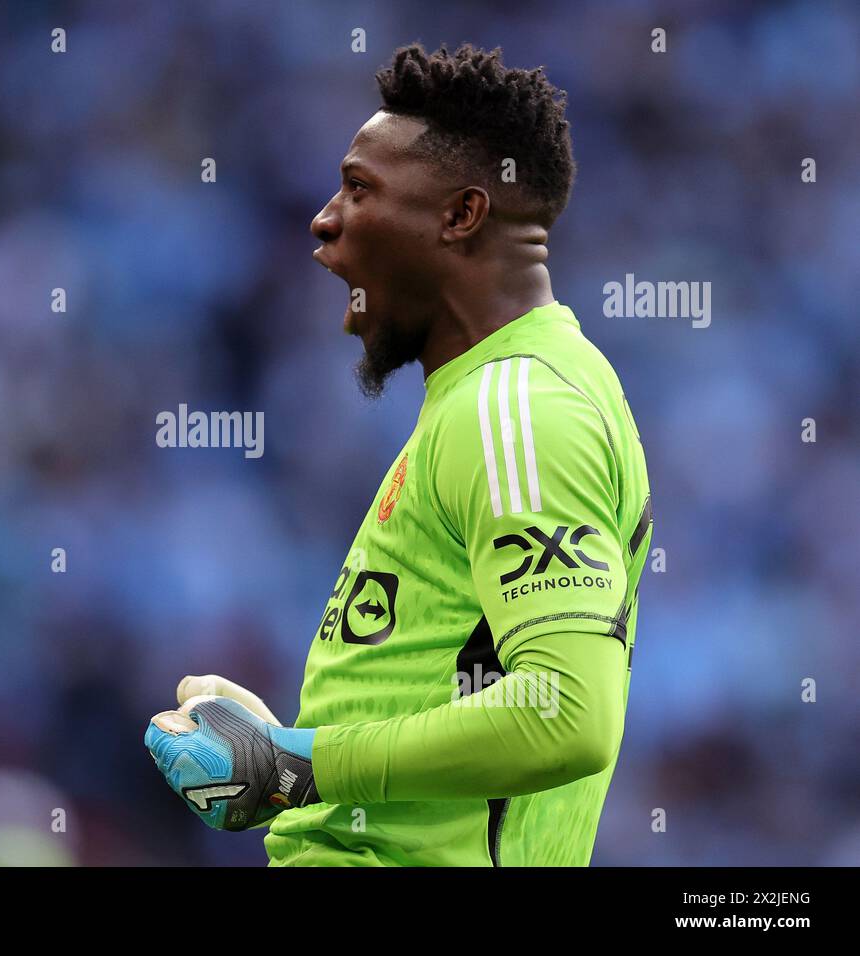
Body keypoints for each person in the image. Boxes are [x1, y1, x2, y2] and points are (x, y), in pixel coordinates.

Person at [146, 42, 653, 866]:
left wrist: (296, 765)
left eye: (358, 188)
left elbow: (565, 712)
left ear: (460, 215)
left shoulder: (516, 409)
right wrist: (285, 744)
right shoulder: (483, 402)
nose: (323, 220)